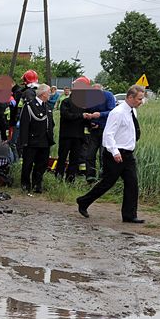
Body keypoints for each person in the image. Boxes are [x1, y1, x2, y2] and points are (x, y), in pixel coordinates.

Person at [77, 84, 146, 223]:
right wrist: (115, 151)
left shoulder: (132, 111)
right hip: (115, 154)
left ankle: (129, 215)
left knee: (132, 183)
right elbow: (108, 134)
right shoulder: (118, 112)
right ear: (130, 97)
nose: (141, 102)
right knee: (107, 183)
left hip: (128, 154)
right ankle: (83, 201)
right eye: (139, 99)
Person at [55, 77, 97, 182]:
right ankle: (58, 178)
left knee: (74, 160)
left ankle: (70, 179)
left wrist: (91, 123)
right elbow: (67, 115)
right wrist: (82, 116)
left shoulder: (84, 104)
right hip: (66, 135)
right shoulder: (66, 102)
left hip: (78, 136)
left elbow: (85, 120)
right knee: (62, 158)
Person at [18, 83, 54, 193]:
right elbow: (24, 125)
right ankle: (25, 184)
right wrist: (23, 141)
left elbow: (50, 123)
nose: (49, 95)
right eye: (48, 93)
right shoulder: (30, 106)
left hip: (44, 140)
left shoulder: (47, 106)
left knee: (42, 164)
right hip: (32, 140)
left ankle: (37, 184)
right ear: (43, 93)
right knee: (28, 164)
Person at [84, 83, 117, 181]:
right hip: (94, 129)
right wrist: (91, 121)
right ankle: (90, 176)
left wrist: (100, 115)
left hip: (106, 130)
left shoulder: (109, 96)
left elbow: (112, 112)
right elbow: (87, 111)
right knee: (90, 153)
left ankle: (103, 177)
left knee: (103, 154)